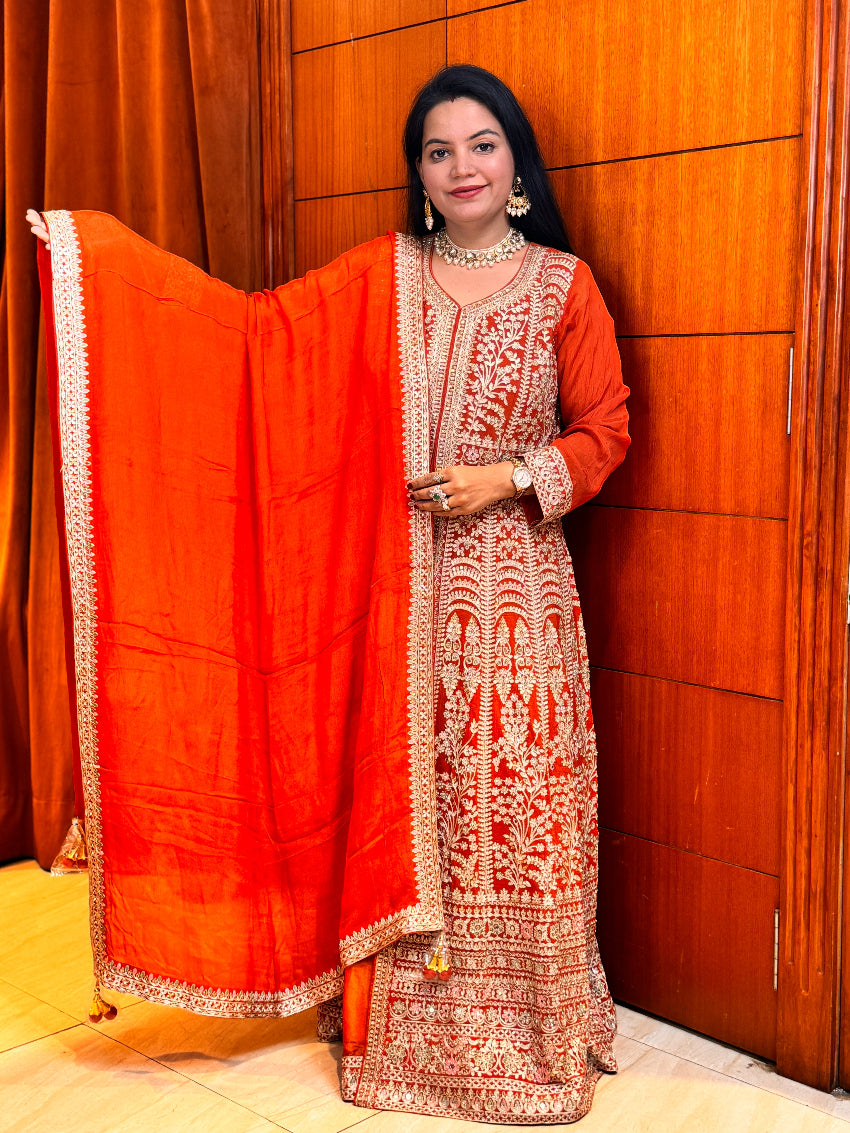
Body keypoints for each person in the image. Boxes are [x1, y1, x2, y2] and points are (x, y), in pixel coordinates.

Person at [29, 64, 628, 1125]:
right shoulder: (380, 277)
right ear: (419, 174)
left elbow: (606, 429)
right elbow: (253, 341)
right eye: (438, 151)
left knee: (509, 800)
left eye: (482, 145)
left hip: (516, 601)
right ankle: (384, 1024)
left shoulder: (562, 285)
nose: (461, 167)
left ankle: (530, 1026)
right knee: (401, 797)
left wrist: (505, 477)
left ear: (517, 164)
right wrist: (96, 260)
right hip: (385, 590)